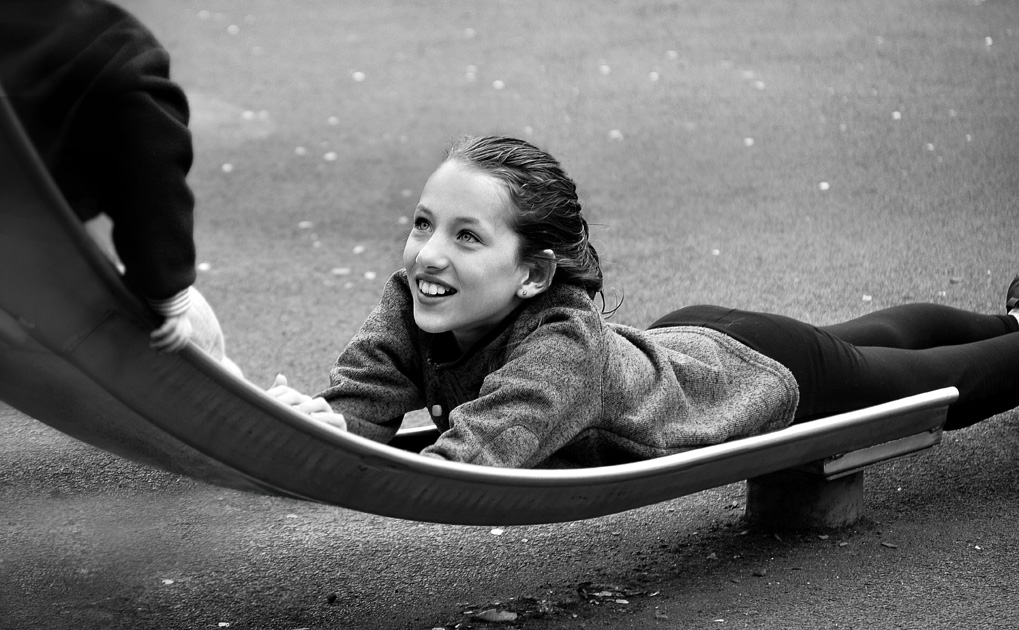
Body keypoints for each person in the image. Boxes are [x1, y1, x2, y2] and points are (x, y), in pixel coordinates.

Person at [269, 135, 1019, 468]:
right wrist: (323, 423)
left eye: (467, 237)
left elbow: (468, 465)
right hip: (679, 343)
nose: (428, 255)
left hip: (757, 377)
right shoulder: (415, 301)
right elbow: (361, 404)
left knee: (936, 382)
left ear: (533, 274)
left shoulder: (558, 353)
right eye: (423, 224)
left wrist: (317, 453)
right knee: (874, 335)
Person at [0, 0, 241, 375]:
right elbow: (152, 166)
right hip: (33, 242)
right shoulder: (115, 49)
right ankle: (228, 380)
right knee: (184, 327)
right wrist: (167, 290)